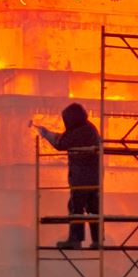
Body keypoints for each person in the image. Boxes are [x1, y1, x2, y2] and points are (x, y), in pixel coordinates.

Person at [33, 103, 102, 250]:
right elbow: (66, 138)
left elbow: (61, 143)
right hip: (94, 177)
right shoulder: (89, 128)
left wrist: (47, 135)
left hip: (81, 177)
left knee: (76, 207)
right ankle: (97, 240)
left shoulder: (79, 131)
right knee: (94, 209)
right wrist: (50, 134)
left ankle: (75, 240)